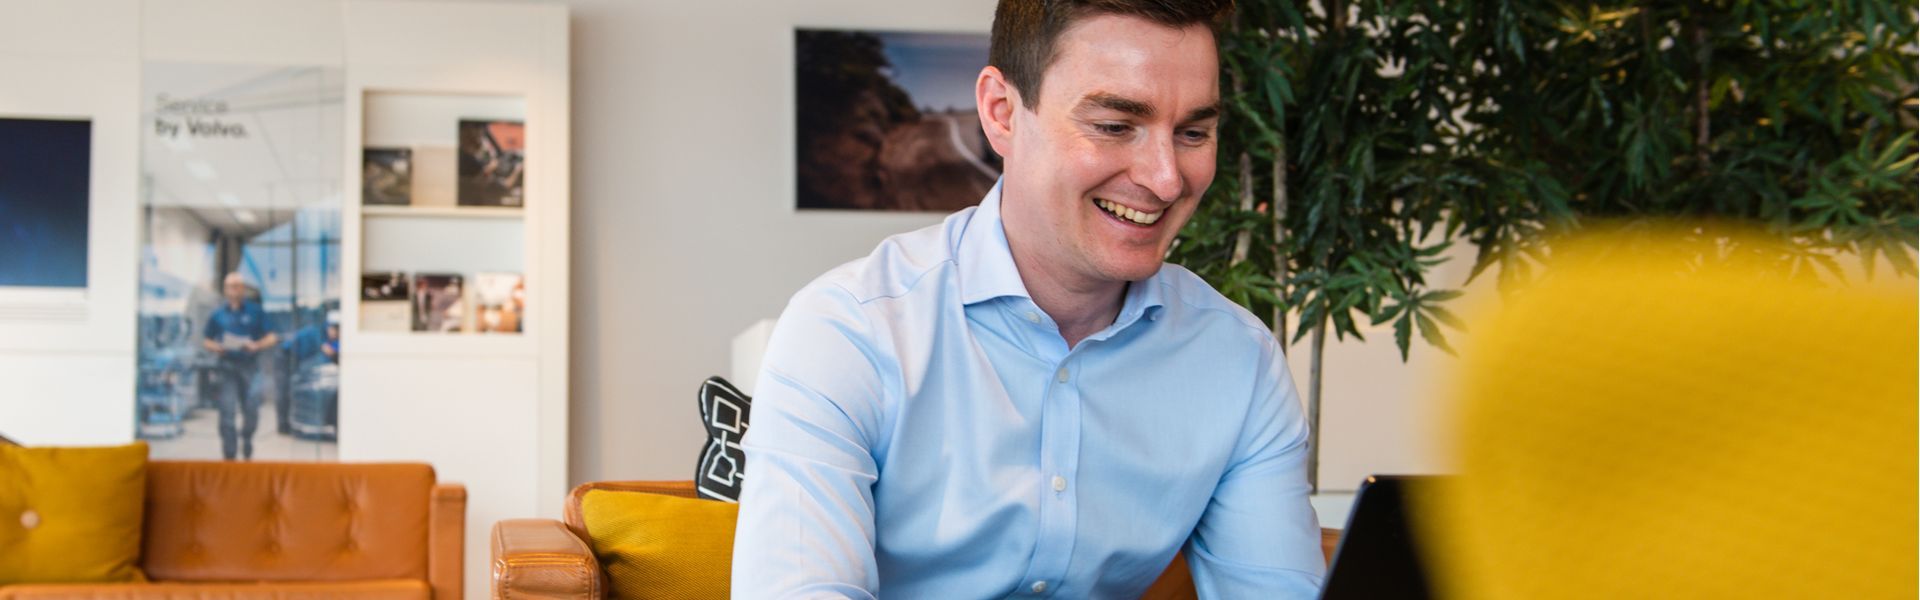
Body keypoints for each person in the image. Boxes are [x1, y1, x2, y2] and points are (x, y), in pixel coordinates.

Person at [732, 1, 1324, 597]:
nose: (1166, 179)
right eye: (1114, 126)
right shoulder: (848, 329)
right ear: (1002, 113)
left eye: (1193, 133)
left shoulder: (1238, 361)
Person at [200, 272, 278, 461]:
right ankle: (230, 455)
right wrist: (217, 347)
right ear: (225, 289)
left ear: (243, 288)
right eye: (230, 286)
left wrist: (257, 345)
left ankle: (247, 438)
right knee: (227, 412)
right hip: (227, 367)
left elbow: (272, 337)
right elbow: (206, 340)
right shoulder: (217, 315)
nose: (234, 290)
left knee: (251, 410)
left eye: (237, 286)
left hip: (250, 367)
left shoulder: (255, 311)